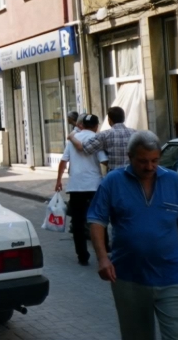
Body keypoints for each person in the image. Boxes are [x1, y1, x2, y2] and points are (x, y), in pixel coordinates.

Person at [87, 131, 178, 340]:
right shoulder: (113, 181)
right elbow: (97, 220)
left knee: (175, 336)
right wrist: (102, 258)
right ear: (130, 156)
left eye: (155, 160)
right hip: (129, 277)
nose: (149, 167)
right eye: (143, 161)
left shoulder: (173, 181)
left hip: (173, 276)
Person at [56, 114, 106, 266]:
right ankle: (103, 253)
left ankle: (82, 256)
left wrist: (58, 181)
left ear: (82, 125)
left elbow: (64, 161)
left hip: (76, 186)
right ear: (96, 126)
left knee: (77, 222)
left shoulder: (73, 140)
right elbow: (104, 161)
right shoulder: (96, 140)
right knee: (98, 219)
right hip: (94, 186)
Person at [68, 106, 136, 172]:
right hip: (132, 172)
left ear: (109, 120)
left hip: (114, 174)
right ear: (123, 118)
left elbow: (84, 148)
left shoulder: (104, 135)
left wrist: (71, 137)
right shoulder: (135, 133)